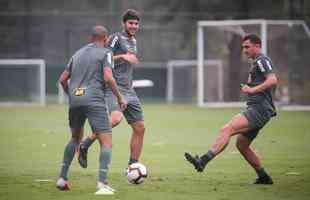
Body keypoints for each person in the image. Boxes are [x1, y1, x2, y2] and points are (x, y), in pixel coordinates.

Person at [184, 34, 278, 184]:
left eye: (247, 47)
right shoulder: (256, 62)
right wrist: (251, 89)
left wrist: (253, 90)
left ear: (257, 45)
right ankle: (263, 176)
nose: (244, 50)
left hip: (259, 110)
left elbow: (272, 79)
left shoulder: (262, 60)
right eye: (243, 47)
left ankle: (202, 160)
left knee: (226, 129)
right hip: (258, 109)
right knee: (242, 145)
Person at [56, 25, 127, 195]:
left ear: (90, 38)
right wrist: (119, 97)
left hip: (75, 100)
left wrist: (71, 96)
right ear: (106, 39)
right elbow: (108, 77)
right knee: (106, 140)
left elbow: (62, 80)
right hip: (94, 99)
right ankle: (102, 184)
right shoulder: (106, 52)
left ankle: (62, 179)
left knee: (74, 138)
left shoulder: (77, 54)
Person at [78, 9, 145, 169]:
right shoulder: (116, 38)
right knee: (115, 119)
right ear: (124, 23)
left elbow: (132, 61)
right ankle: (84, 144)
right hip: (113, 87)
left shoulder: (133, 40)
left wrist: (129, 59)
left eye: (136, 23)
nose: (134, 26)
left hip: (129, 89)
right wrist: (121, 56)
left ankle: (133, 166)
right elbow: (101, 57)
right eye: (131, 23)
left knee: (140, 128)